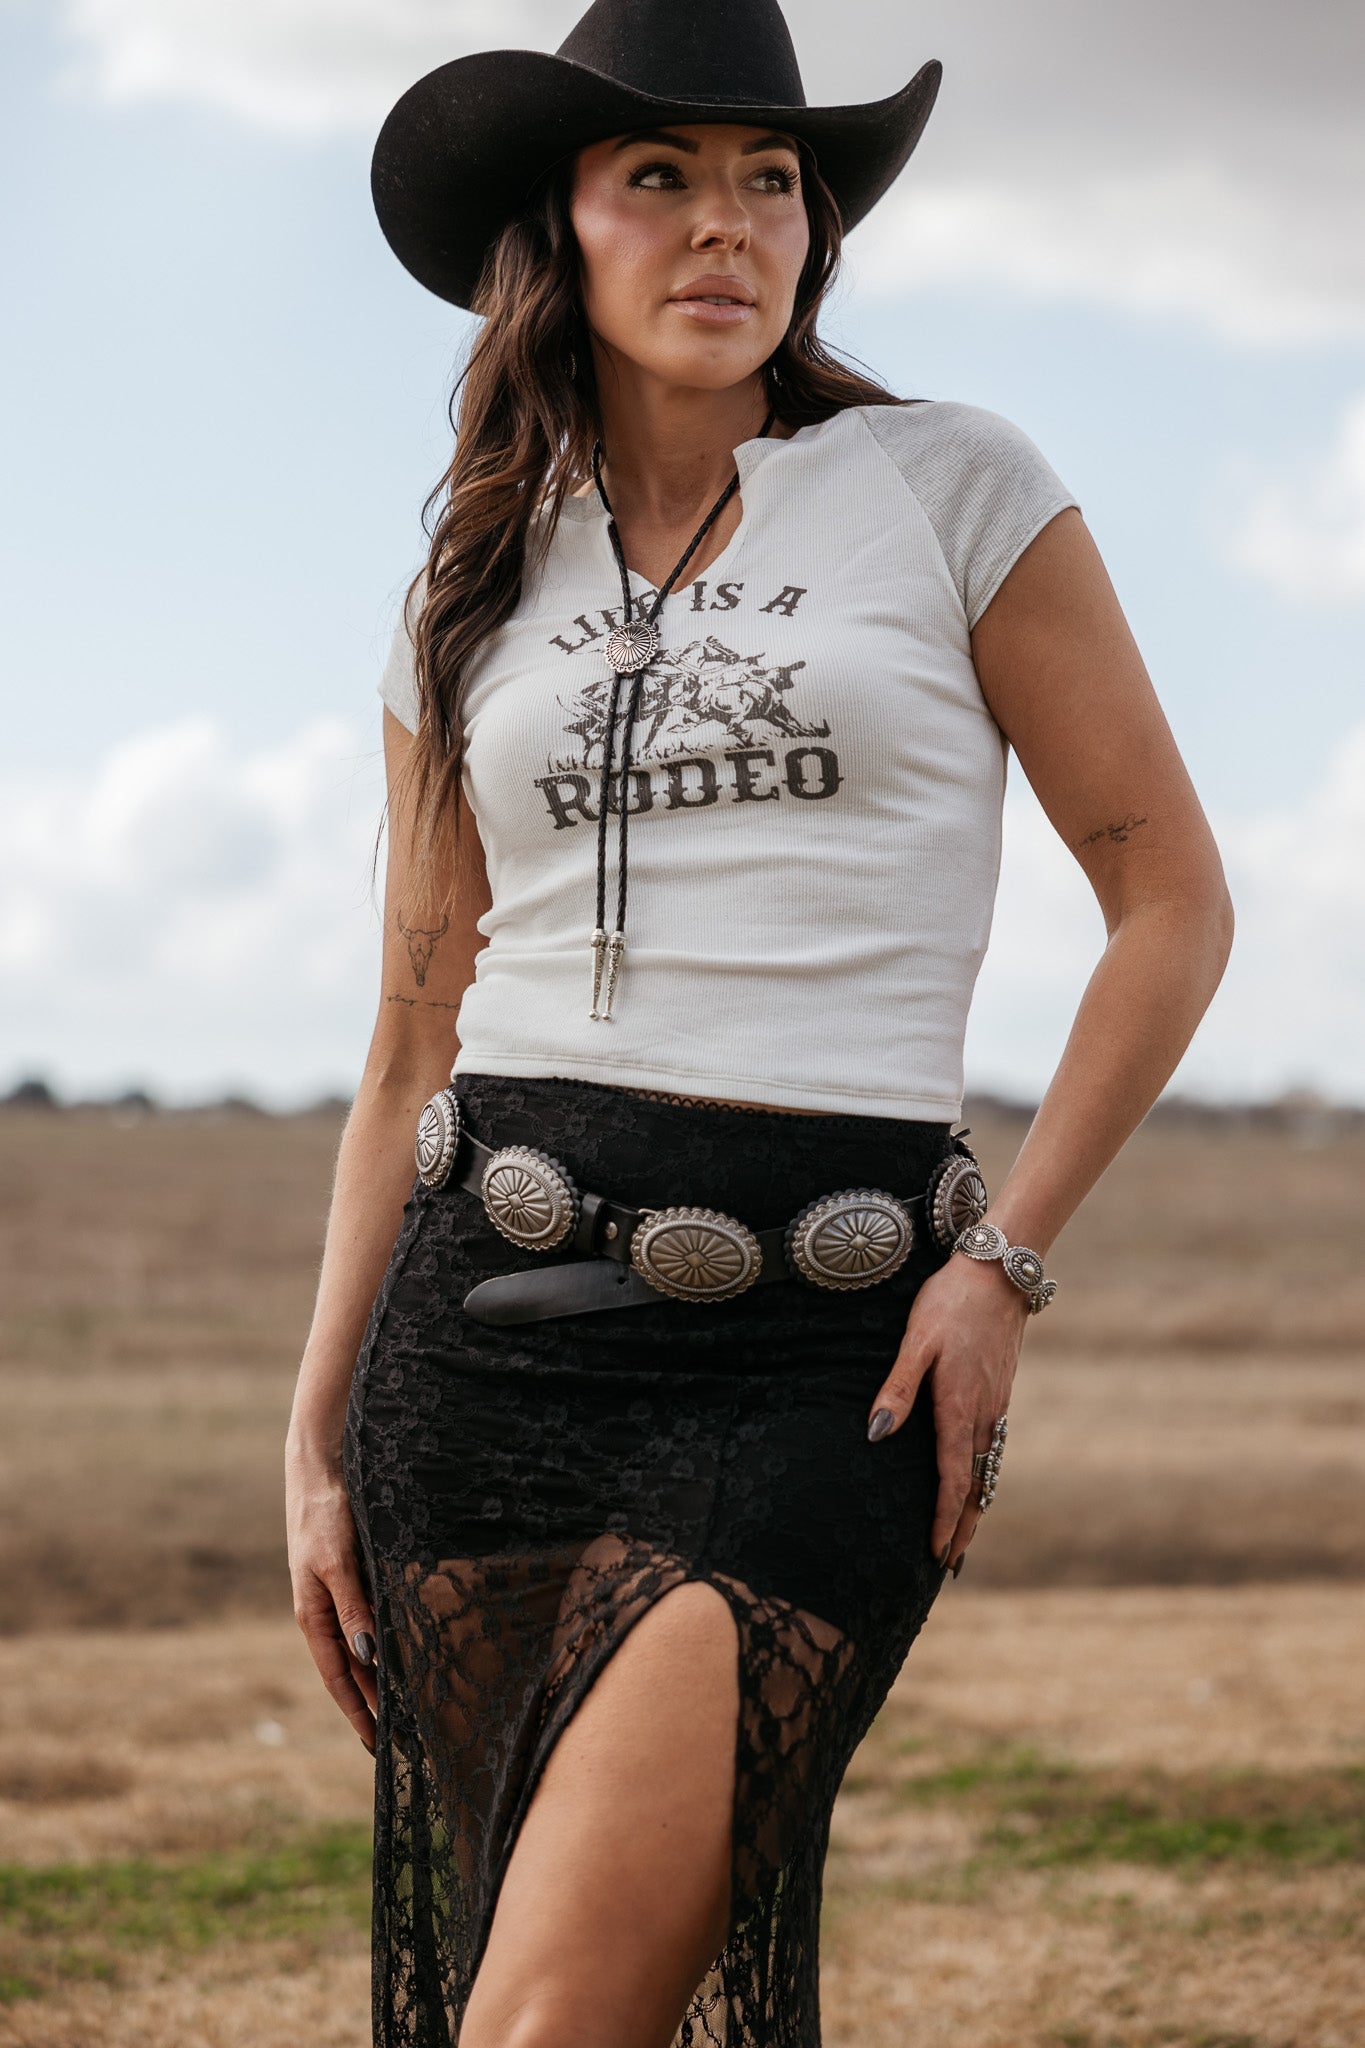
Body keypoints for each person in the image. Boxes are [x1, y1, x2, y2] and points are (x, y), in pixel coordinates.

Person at [284, 1, 1235, 2042]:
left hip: (819, 1360)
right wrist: (310, 1431)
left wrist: (1002, 1261)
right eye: (661, 178)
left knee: (547, 2018)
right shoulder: (464, 580)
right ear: (562, 223)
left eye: (768, 183)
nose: (724, 228)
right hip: (472, 1341)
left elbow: (1167, 900)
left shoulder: (946, 486)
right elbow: (405, 1040)